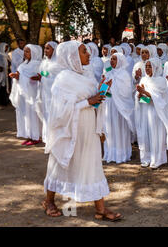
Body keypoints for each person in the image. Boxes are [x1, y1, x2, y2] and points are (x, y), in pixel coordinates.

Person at [43, 40, 122, 221]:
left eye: (87, 51)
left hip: (88, 127)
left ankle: (100, 209)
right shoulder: (63, 80)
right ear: (72, 57)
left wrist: (102, 89)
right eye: (84, 51)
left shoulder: (86, 75)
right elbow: (58, 113)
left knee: (92, 165)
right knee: (60, 164)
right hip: (69, 129)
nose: (88, 54)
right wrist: (89, 101)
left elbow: (94, 100)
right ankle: (49, 201)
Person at [135, 58, 168, 169]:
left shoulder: (161, 81)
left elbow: (159, 98)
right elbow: (142, 98)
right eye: (146, 66)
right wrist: (139, 95)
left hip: (156, 112)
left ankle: (157, 159)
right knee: (145, 134)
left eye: (150, 66)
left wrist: (144, 92)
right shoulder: (143, 80)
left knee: (155, 134)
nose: (147, 69)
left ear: (155, 67)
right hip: (145, 111)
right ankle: (146, 158)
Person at [102, 53, 135, 164]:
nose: (112, 61)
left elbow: (126, 92)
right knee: (109, 128)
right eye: (111, 59)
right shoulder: (108, 73)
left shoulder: (124, 75)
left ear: (120, 61)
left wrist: (112, 87)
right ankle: (110, 153)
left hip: (120, 106)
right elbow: (103, 89)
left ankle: (121, 154)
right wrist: (105, 85)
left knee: (119, 128)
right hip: (109, 104)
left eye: (114, 59)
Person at [9, 44, 43, 146]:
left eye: (27, 51)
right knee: (25, 115)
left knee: (33, 115)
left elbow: (44, 75)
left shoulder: (38, 64)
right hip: (23, 94)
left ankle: (36, 137)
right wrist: (15, 76)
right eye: (24, 51)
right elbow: (19, 75)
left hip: (32, 94)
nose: (25, 53)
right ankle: (29, 136)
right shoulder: (22, 64)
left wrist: (39, 77)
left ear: (34, 53)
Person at [36, 42, 63, 144]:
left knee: (54, 115)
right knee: (46, 114)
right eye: (45, 48)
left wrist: (46, 77)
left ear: (54, 50)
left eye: (48, 48)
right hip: (44, 93)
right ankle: (47, 138)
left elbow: (60, 78)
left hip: (54, 95)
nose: (45, 50)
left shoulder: (59, 63)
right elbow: (42, 73)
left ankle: (55, 139)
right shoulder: (44, 62)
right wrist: (41, 77)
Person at [0, 43, 9, 108]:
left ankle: (2, 102)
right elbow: (0, 67)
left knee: (2, 89)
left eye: (7, 47)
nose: (6, 49)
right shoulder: (0, 56)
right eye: (5, 47)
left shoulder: (6, 55)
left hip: (4, 75)